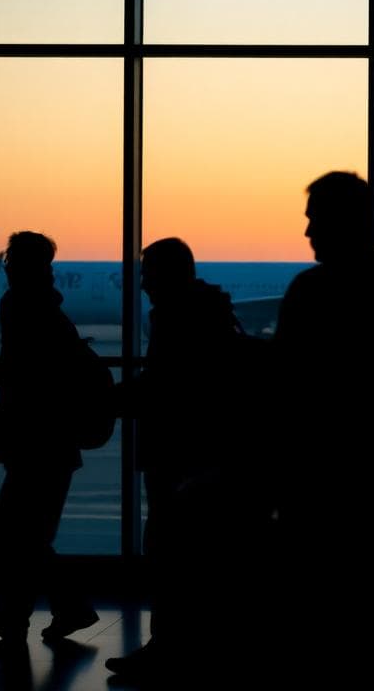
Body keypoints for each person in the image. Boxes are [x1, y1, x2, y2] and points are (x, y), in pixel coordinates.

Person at [271, 171, 374, 674]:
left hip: (317, 486)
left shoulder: (312, 293)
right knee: (368, 609)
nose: (307, 233)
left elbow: (285, 389)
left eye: (315, 219)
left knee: (315, 618)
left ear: (347, 222)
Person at [104, 237, 262, 682]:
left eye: (149, 273)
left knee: (173, 556)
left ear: (168, 275)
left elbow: (169, 387)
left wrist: (111, 396)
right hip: (199, 458)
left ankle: (169, 648)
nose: (143, 283)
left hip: (181, 458)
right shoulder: (206, 314)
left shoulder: (179, 321)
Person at [0, 232, 98, 642]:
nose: (6, 269)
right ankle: (21, 615)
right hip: (54, 440)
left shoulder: (20, 306)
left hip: (33, 439)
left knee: (20, 535)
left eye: (10, 262)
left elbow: (31, 375)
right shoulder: (53, 312)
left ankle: (58, 608)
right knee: (27, 535)